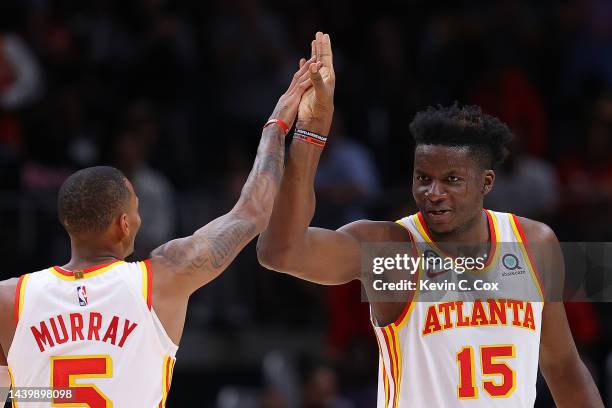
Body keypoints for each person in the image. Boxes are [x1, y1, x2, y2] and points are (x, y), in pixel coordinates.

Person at [257, 32, 604, 407]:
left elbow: (564, 366)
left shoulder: (534, 244)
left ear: (486, 182)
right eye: (423, 178)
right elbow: (280, 253)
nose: (432, 192)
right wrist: (310, 135)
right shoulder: (392, 252)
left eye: (451, 180)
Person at [0, 50, 320, 407]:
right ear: (124, 224)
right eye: (136, 209)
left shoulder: (10, 298)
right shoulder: (164, 277)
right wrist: (277, 124)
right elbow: (253, 211)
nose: (139, 219)